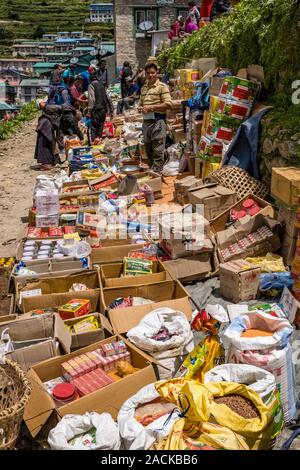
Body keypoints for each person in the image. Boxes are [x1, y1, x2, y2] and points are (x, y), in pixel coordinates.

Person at [138, 63, 172, 173]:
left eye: (153, 72)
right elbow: (142, 104)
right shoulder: (143, 88)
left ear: (157, 73)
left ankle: (156, 174)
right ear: (145, 74)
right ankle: (152, 172)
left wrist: (151, 107)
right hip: (146, 122)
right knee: (148, 149)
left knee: (158, 150)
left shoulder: (162, 87)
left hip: (158, 120)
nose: (150, 75)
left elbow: (168, 104)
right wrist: (141, 108)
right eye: (148, 73)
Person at [87, 73, 114, 144]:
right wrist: (111, 109)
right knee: (101, 125)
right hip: (103, 109)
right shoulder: (102, 85)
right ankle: (98, 139)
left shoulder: (91, 85)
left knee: (94, 126)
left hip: (96, 109)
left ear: (90, 80)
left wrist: (89, 111)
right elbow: (108, 98)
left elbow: (91, 99)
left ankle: (93, 142)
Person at [34, 103, 61, 171]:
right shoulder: (67, 116)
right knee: (45, 145)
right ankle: (46, 164)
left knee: (48, 144)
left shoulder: (51, 111)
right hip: (45, 127)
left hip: (44, 125)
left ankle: (52, 162)